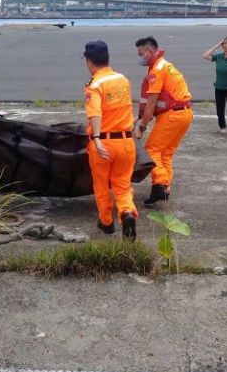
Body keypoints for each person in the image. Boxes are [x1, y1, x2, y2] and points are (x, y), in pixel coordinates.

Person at [82, 40, 138, 240]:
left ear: (89, 61)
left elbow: (95, 112)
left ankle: (106, 222)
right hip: (126, 142)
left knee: (102, 186)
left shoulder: (95, 85)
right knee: (122, 185)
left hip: (104, 144)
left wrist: (97, 138)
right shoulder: (122, 79)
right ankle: (127, 213)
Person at [134, 36, 193, 205]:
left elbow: (152, 102)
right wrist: (138, 118)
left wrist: (141, 127)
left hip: (172, 116)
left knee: (151, 150)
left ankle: (159, 184)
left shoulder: (157, 70)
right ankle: (164, 188)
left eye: (140, 54)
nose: (139, 58)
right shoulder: (165, 65)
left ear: (149, 51)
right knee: (166, 153)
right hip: (185, 114)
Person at [203, 36, 227, 134]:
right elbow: (205, 55)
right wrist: (217, 45)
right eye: (224, 43)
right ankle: (222, 127)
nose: (225, 45)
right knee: (220, 109)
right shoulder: (219, 57)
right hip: (219, 87)